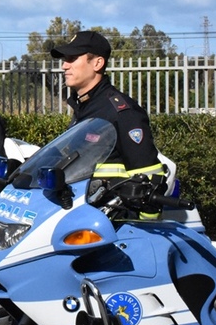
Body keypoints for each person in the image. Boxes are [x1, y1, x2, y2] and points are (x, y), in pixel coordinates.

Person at [50, 31, 165, 215]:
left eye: (72, 58)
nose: (64, 65)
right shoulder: (84, 107)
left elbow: (150, 180)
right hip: (83, 215)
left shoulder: (121, 112)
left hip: (112, 222)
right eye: (65, 59)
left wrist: (138, 228)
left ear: (97, 63)